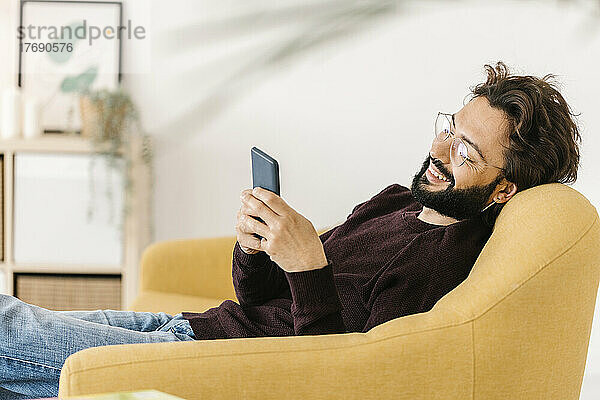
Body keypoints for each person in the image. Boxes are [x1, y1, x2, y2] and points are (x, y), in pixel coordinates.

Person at [0, 62, 581, 398]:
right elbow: (259, 302)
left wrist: (308, 265)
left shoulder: (443, 261)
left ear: (504, 188)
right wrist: (257, 247)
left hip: (213, 360)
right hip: (197, 327)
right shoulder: (399, 201)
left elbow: (334, 373)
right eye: (448, 128)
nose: (437, 150)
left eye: (466, 152)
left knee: (10, 328)